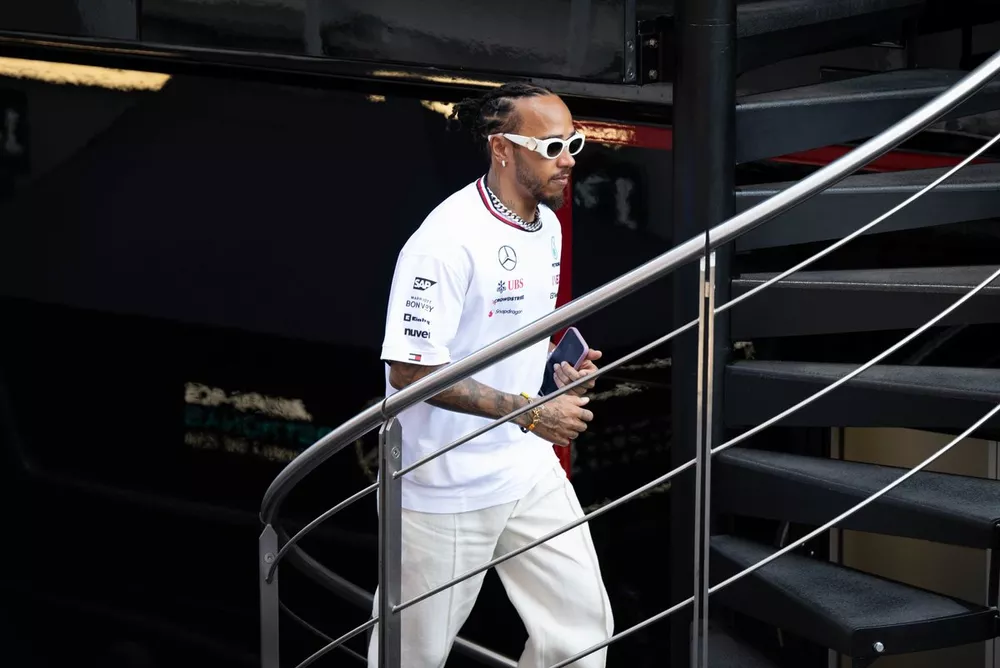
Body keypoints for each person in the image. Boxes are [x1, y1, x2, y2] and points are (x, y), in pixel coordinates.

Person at [368, 82, 614, 667]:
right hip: (440, 487)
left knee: (582, 635)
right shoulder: (444, 242)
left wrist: (560, 367)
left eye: (574, 142)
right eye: (552, 145)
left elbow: (513, 334)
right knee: (411, 658)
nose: (569, 159)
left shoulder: (547, 228)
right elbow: (409, 371)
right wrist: (534, 412)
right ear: (503, 148)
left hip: (523, 467)